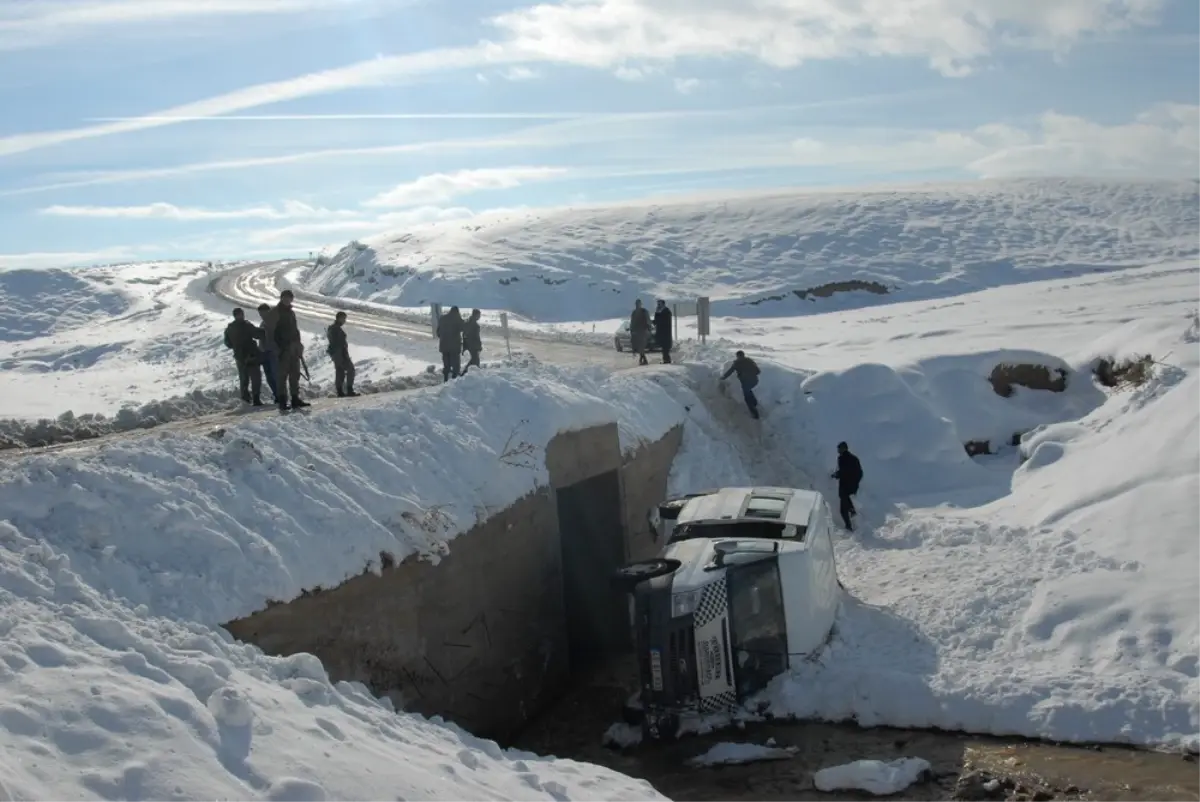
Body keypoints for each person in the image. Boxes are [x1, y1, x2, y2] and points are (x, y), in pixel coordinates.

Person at [272, 289, 309, 411]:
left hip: (293, 348)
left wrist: (298, 345)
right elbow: (271, 332)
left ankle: (295, 399)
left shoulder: (291, 313)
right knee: (282, 376)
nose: (287, 300)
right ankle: (282, 401)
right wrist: (278, 348)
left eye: (289, 298)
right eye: (285, 298)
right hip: (282, 349)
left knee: (295, 375)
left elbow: (295, 330)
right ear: (281, 298)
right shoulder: (276, 312)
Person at [222, 307, 265, 406]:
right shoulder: (247, 325)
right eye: (240, 314)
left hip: (239, 356)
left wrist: (236, 347)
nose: (241, 316)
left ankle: (246, 399)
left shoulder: (230, 328)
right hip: (251, 355)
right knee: (255, 378)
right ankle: (256, 399)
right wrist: (264, 330)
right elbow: (257, 335)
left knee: (244, 379)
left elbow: (227, 343)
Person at [831, 441, 864, 531]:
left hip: (845, 485)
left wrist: (835, 475)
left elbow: (843, 472)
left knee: (843, 509)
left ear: (843, 449)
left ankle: (848, 526)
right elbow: (860, 473)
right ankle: (852, 511)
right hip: (852, 486)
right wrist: (855, 483)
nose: (838, 450)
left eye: (839, 448)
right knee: (844, 499)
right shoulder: (854, 458)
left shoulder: (842, 459)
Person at [719, 350, 761, 419]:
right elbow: (758, 371)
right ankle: (754, 402)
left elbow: (730, 371)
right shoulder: (749, 361)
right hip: (754, 381)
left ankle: (755, 414)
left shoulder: (737, 363)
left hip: (746, 382)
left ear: (737, 356)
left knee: (747, 398)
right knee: (748, 391)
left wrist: (723, 377)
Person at [326, 311, 358, 397]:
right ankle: (343, 390)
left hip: (341, 353)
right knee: (343, 370)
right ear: (339, 318)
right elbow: (334, 342)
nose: (344, 320)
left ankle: (344, 390)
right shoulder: (334, 328)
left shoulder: (336, 328)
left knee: (344, 371)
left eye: (345, 318)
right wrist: (338, 353)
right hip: (338, 353)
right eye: (343, 318)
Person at [256, 303, 279, 403]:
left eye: (263, 313)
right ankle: (276, 394)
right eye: (260, 314)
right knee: (269, 376)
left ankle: (280, 395)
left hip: (273, 352)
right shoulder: (262, 323)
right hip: (264, 353)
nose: (262, 315)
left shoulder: (275, 322)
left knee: (275, 375)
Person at [436, 305, 465, 382]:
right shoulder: (457, 319)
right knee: (455, 365)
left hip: (444, 346)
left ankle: (445, 379)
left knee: (446, 365)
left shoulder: (442, 318)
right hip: (454, 347)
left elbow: (438, 333)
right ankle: (454, 380)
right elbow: (463, 328)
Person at [630, 299, 652, 366]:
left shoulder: (644, 311)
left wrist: (648, 328)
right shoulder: (634, 312)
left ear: (640, 304)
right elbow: (632, 322)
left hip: (643, 331)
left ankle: (643, 359)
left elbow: (648, 320)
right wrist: (632, 330)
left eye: (638, 304)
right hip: (636, 331)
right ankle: (642, 359)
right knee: (638, 346)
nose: (637, 305)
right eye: (636, 304)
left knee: (641, 346)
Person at [462, 308, 482, 374]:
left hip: (469, 344)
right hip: (473, 345)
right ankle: (465, 373)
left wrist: (465, 344)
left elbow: (464, 334)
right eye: (479, 315)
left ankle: (468, 372)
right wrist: (479, 346)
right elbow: (476, 337)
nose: (479, 317)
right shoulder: (475, 325)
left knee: (475, 359)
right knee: (475, 360)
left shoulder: (467, 322)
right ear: (475, 315)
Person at [653, 299, 673, 364]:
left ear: (663, 304)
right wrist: (656, 312)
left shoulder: (666, 311)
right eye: (658, 304)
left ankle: (667, 360)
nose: (658, 305)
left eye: (659, 304)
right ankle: (666, 360)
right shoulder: (659, 312)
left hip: (666, 333)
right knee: (663, 348)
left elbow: (662, 321)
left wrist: (658, 315)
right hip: (661, 333)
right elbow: (656, 321)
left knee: (665, 348)